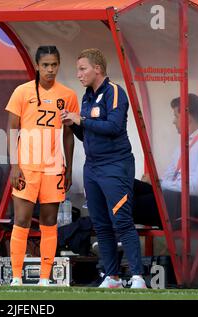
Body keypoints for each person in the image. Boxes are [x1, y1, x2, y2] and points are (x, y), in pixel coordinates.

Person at [61, 48, 146, 289]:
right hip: (93, 168)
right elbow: (87, 133)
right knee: (100, 224)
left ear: (97, 69)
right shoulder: (87, 96)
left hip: (115, 165)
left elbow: (114, 127)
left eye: (82, 69)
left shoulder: (115, 92)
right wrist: (73, 124)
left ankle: (138, 276)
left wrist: (82, 120)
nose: (78, 74)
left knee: (121, 220)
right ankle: (112, 277)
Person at [6, 46, 78, 287]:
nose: (50, 69)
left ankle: (45, 278)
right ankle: (16, 276)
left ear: (59, 65)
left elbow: (69, 134)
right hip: (27, 166)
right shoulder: (22, 91)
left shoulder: (68, 95)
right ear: (37, 65)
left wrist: (68, 167)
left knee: (50, 222)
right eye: (45, 64)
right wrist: (14, 164)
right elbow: (12, 130)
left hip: (54, 168)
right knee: (22, 219)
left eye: (54, 64)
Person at [132, 94, 198, 229]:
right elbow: (169, 178)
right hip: (175, 198)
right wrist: (155, 183)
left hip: (195, 204)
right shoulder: (183, 146)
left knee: (128, 205)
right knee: (129, 184)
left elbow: (195, 188)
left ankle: (111, 212)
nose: (173, 121)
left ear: (187, 117)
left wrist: (158, 183)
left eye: (176, 116)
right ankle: (111, 208)